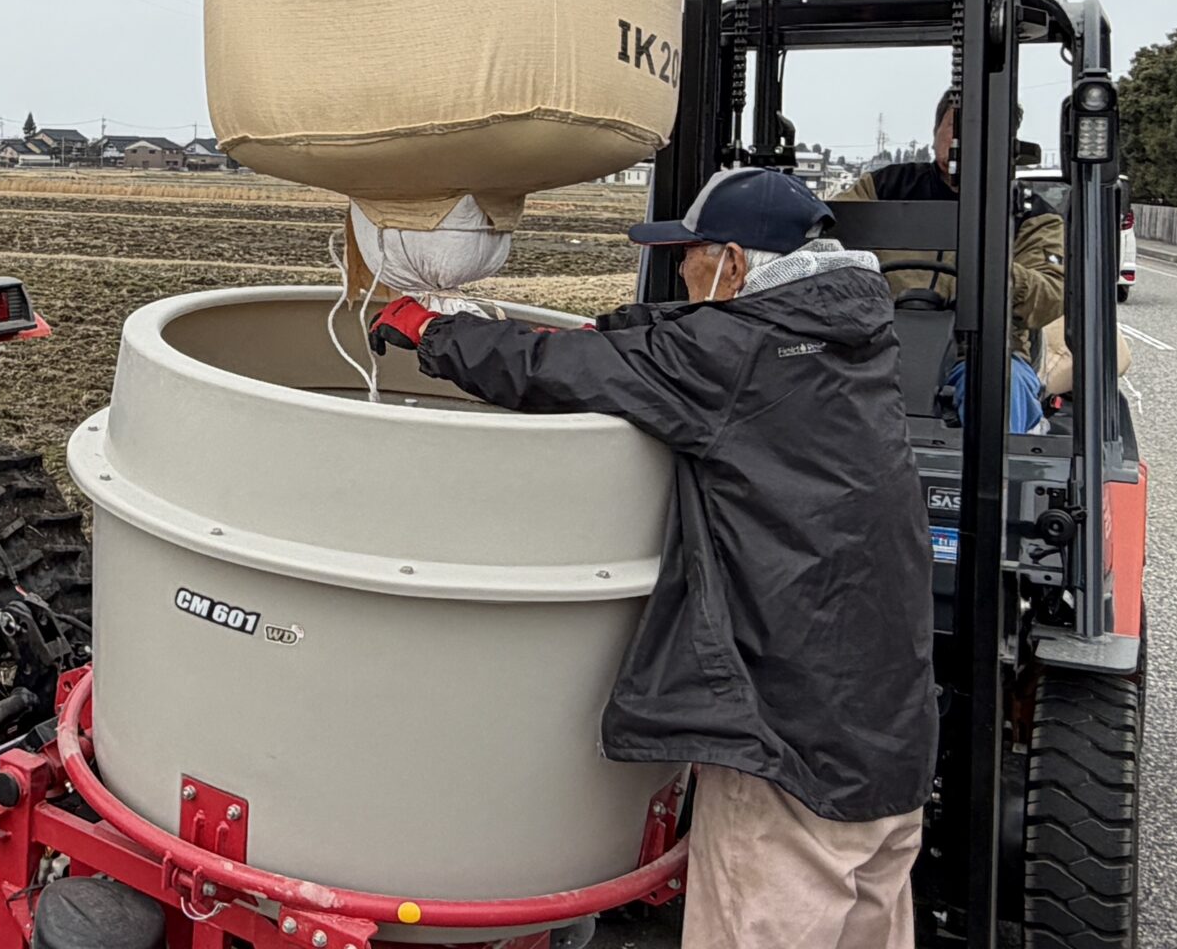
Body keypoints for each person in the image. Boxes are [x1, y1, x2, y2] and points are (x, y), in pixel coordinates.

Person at [370, 168, 936, 949]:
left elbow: (551, 373)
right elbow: (670, 344)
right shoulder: (851, 337)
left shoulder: (730, 356)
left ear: (733, 263)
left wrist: (434, 333)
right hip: (889, 736)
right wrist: (602, 329)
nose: (681, 273)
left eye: (689, 257)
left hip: (790, 748)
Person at [837, 86, 1064, 336]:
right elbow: (828, 240)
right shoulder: (882, 187)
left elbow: (1051, 296)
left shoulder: (1031, 214)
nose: (963, 139)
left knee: (1009, 364)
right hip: (881, 337)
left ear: (1007, 142)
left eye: (981, 129)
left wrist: (992, 271)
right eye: (955, 126)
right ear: (935, 133)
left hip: (986, 344)